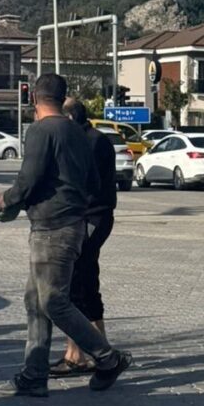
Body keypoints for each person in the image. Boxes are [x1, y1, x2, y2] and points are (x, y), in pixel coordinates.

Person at [0, 74, 132, 396]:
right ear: (63, 97)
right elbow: (95, 182)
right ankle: (34, 375)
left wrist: (7, 199)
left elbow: (28, 180)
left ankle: (107, 358)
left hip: (51, 228)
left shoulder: (41, 131)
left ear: (33, 99)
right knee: (35, 302)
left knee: (54, 301)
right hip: (73, 223)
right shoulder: (77, 131)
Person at [50, 98, 117, 376]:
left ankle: (78, 354)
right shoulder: (94, 138)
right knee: (87, 279)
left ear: (68, 118)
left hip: (90, 217)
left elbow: (79, 182)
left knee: (74, 281)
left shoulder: (89, 141)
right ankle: (100, 349)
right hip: (93, 217)